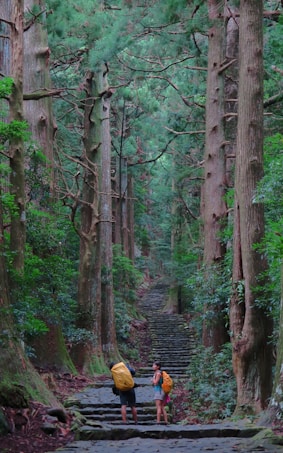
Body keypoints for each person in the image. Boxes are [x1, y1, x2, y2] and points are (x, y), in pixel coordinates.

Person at [151, 360, 168, 425]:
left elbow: (155, 382)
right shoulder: (159, 373)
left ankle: (158, 421)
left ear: (158, 367)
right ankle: (165, 421)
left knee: (158, 406)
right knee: (162, 407)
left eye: (154, 365)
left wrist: (152, 380)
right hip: (161, 391)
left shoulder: (158, 373)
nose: (153, 366)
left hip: (159, 391)